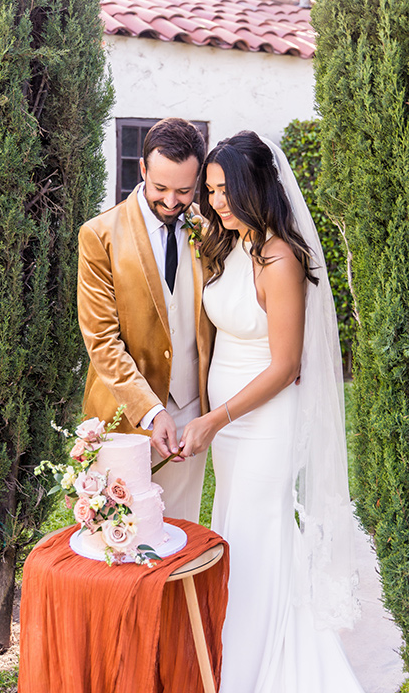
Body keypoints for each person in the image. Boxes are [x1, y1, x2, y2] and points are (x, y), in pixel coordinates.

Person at [180, 132, 363, 692]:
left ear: (257, 186)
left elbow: (285, 366)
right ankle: (231, 650)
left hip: (262, 421)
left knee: (258, 534)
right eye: (210, 191)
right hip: (230, 424)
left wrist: (215, 418)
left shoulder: (279, 258)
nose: (216, 201)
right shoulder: (229, 243)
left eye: (226, 190)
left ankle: (255, 668)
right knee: (235, 529)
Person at [77, 118, 214, 522]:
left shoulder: (208, 233)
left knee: (181, 532)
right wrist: (152, 412)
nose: (172, 201)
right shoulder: (99, 235)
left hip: (190, 415)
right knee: (124, 546)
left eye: (184, 191)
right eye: (161, 189)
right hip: (124, 418)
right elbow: (102, 341)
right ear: (142, 170)